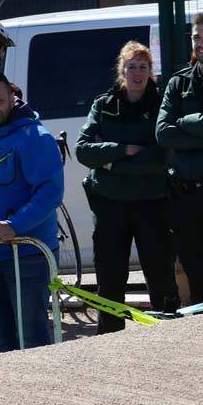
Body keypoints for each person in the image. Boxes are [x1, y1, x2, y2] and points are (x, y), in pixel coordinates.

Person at [76, 42, 179, 333]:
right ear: (122, 70)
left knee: (160, 278)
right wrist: (125, 148)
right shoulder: (104, 105)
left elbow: (159, 158)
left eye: (143, 67)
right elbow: (83, 151)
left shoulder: (161, 104)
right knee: (110, 280)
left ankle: (168, 336)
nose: (137, 73)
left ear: (151, 72)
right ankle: (110, 340)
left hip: (153, 204)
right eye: (131, 66)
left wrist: (110, 162)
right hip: (109, 205)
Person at [0, 70, 64, 353]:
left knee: (31, 338)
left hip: (27, 255)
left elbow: (49, 193)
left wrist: (15, 224)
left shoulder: (35, 137)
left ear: (12, 97)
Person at [155, 11, 203, 305]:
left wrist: (184, 122)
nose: (201, 43)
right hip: (186, 196)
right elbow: (163, 133)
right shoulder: (178, 83)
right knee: (199, 280)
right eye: (197, 37)